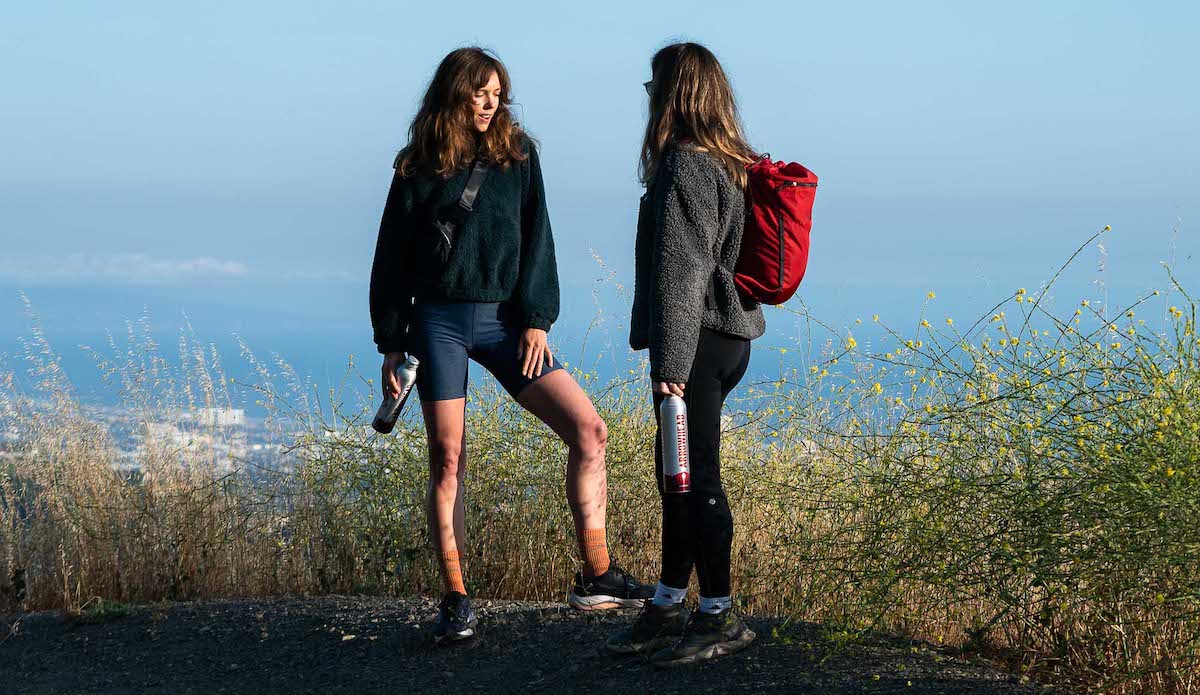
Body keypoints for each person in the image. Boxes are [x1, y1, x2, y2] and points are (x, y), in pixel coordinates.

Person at [369, 47, 652, 645]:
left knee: (589, 430)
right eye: (480, 92)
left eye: (498, 92)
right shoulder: (415, 165)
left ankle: (597, 575)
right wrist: (391, 343)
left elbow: (537, 238)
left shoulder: (518, 157)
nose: (491, 103)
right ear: (455, 93)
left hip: (506, 323)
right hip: (438, 323)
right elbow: (390, 256)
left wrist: (537, 319)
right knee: (448, 458)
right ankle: (455, 597)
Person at [607, 42, 764, 665]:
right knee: (676, 473)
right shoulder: (730, 163)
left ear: (673, 92)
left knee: (695, 476)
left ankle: (718, 612)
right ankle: (671, 599)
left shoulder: (684, 167)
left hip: (695, 344)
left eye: (654, 84)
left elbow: (683, 272)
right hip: (725, 339)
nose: (647, 94)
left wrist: (668, 368)